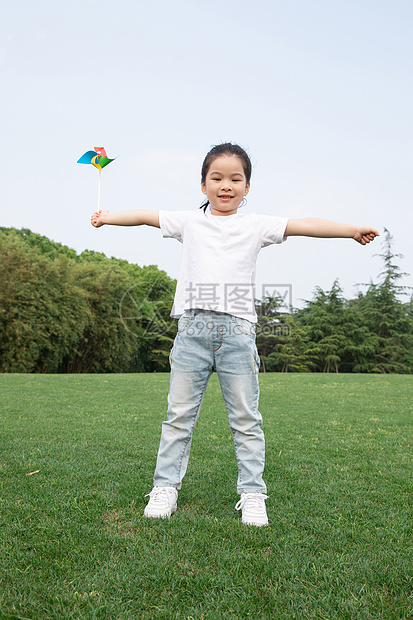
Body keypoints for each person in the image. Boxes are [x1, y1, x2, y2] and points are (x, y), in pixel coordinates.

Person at [91, 142, 379, 526]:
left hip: (238, 334)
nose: (225, 185)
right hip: (192, 329)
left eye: (235, 179)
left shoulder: (256, 225)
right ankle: (165, 488)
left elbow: (305, 225)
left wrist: (350, 231)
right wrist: (108, 217)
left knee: (246, 418)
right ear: (203, 184)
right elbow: (145, 215)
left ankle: (253, 493)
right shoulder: (189, 222)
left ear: (246, 187)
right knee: (178, 416)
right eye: (217, 178)